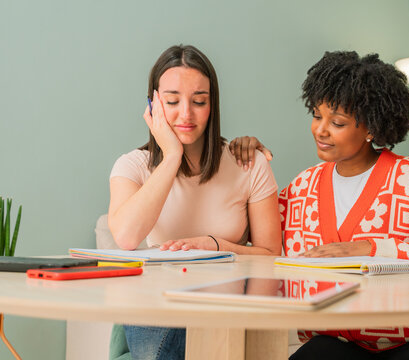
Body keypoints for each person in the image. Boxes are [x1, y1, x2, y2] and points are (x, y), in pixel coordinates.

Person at [230, 51, 409, 360]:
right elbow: (254, 238)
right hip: (340, 344)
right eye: (317, 116)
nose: (321, 130)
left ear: (371, 128)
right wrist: (243, 162)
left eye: (338, 122)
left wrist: (373, 249)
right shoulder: (302, 188)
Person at [108, 44, 282, 360]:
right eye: (172, 101)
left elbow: (271, 255)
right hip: (156, 309)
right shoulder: (132, 165)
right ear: (153, 104)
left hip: (222, 311)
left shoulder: (248, 163)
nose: (186, 114)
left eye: (198, 101)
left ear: (212, 105)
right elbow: (126, 237)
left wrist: (216, 245)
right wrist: (172, 156)